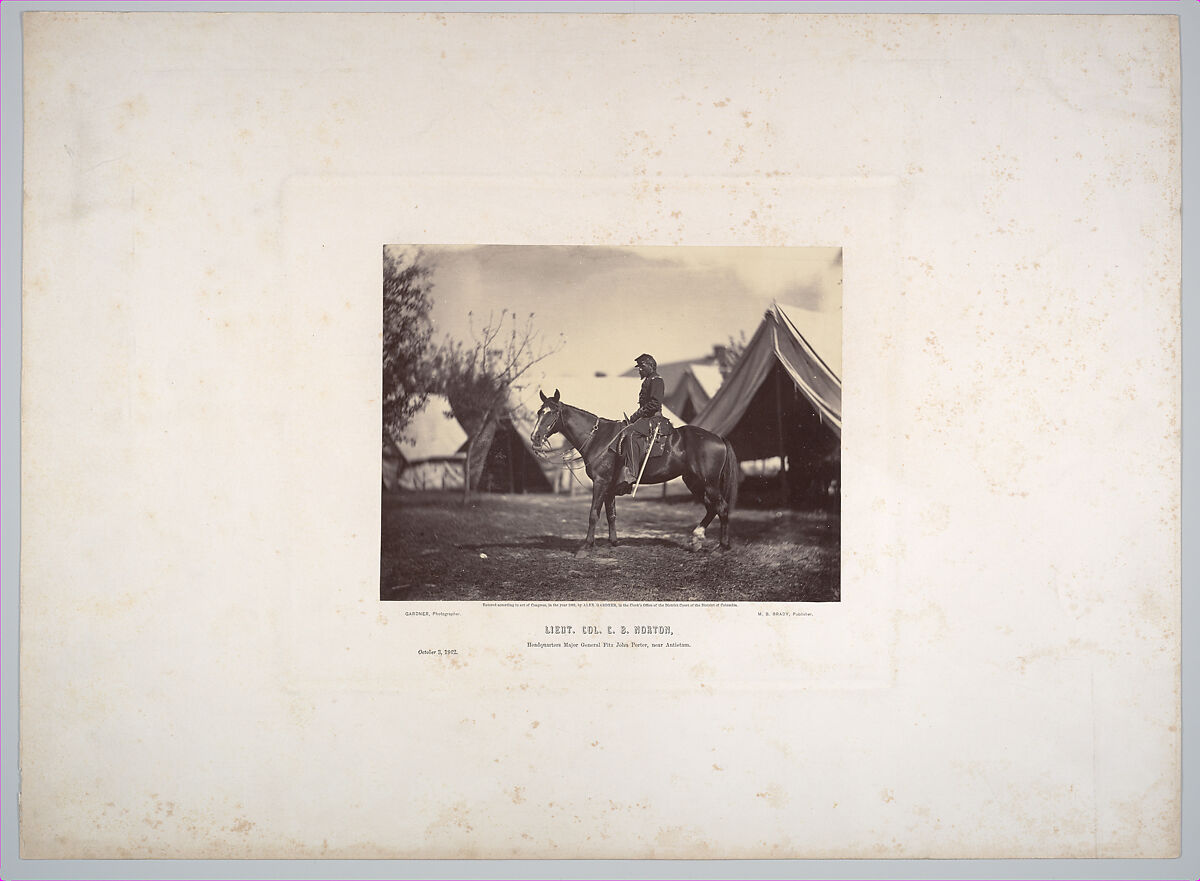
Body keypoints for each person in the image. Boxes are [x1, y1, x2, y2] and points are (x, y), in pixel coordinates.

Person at [614, 353, 665, 494]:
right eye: (639, 368)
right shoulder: (648, 380)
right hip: (646, 418)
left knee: (631, 434)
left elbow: (655, 403)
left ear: (650, 366)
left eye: (642, 367)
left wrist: (637, 415)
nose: (640, 370)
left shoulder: (656, 380)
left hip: (653, 419)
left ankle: (631, 475)